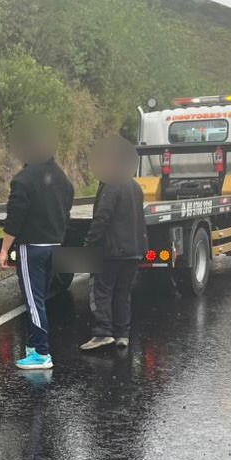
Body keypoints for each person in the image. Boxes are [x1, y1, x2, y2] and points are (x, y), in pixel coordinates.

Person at [0, 117, 75, 371]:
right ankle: (34, 343)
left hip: (31, 248)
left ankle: (41, 353)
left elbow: (15, 219)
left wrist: (4, 250)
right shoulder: (62, 179)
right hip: (54, 245)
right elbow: (66, 212)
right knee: (41, 297)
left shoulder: (24, 179)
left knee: (33, 300)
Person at [80, 137, 147, 352]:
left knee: (102, 291)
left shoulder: (111, 184)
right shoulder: (135, 187)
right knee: (123, 293)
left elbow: (102, 217)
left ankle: (102, 333)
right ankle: (122, 334)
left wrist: (89, 244)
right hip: (133, 250)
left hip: (112, 251)